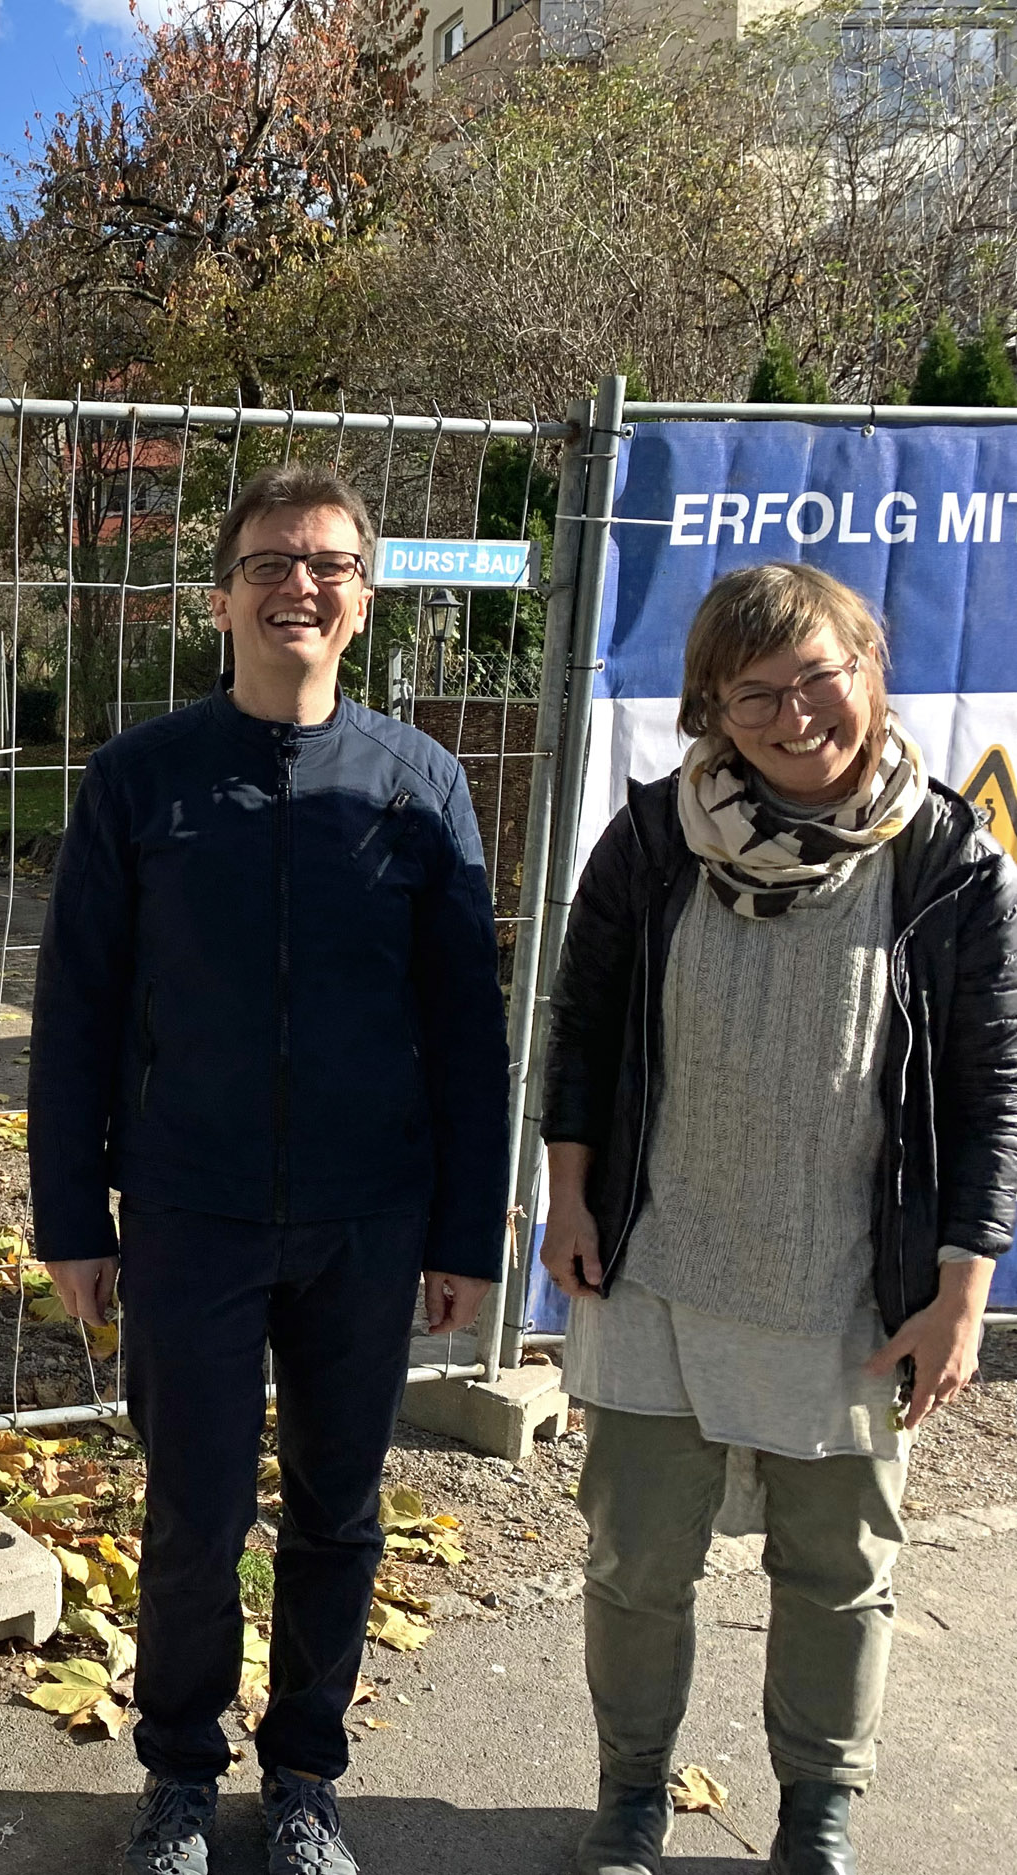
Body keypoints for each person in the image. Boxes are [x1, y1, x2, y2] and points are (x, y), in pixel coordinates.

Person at [31, 463, 511, 1875]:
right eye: (271, 560)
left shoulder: (421, 784)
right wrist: (74, 1215)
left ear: (363, 597)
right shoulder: (139, 782)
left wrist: (464, 1234)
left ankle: (305, 1773)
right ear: (223, 591)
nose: (299, 582)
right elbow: (76, 1014)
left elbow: (465, 1035)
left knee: (341, 1509)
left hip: (371, 1218)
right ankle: (180, 1772)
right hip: (191, 1209)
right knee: (191, 1508)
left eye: (330, 562)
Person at [540, 562, 1010, 1875]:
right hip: (658, 1268)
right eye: (756, 693)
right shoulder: (647, 839)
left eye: (820, 674)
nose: (796, 712)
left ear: (869, 659)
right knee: (637, 1561)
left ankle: (818, 1807)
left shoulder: (948, 858)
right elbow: (580, 1032)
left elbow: (992, 1086)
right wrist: (570, 1191)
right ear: (710, 710)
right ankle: (632, 1787)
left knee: (838, 1570)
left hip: (849, 1293)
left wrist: (961, 1285)